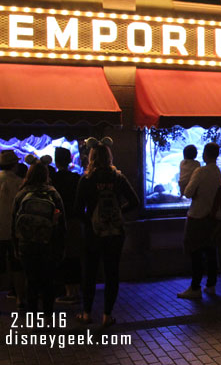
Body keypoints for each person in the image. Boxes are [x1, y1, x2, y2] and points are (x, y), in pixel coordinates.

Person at [75, 137, 139, 326]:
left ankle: (86, 314)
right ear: (109, 156)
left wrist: (91, 223)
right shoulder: (118, 177)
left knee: (90, 274)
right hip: (115, 233)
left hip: (93, 234)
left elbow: (77, 210)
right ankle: (107, 316)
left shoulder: (86, 179)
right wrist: (119, 213)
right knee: (112, 273)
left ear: (91, 157)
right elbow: (134, 202)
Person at [13, 161, 66, 317]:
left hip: (26, 243)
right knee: (48, 282)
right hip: (48, 243)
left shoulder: (21, 194)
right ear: (46, 175)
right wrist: (61, 246)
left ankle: (33, 320)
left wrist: (16, 245)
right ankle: (48, 317)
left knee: (31, 282)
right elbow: (62, 223)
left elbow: (14, 222)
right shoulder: (53, 193)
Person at [179, 142, 221, 299]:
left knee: (195, 252)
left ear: (205, 154)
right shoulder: (217, 172)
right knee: (211, 251)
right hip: (211, 217)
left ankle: (195, 287)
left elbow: (188, 193)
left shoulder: (200, 171)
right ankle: (211, 285)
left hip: (197, 216)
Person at [52, 147, 82, 304]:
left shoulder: (53, 180)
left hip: (60, 221)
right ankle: (76, 289)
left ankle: (69, 292)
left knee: (64, 255)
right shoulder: (76, 178)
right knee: (75, 255)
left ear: (56, 161)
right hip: (76, 220)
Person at [0, 150, 26, 309]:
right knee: (18, 265)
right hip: (15, 230)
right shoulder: (20, 182)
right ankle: (20, 298)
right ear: (15, 165)